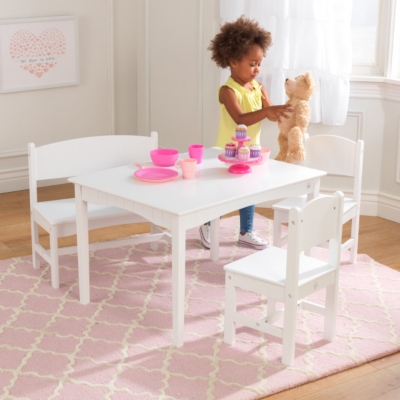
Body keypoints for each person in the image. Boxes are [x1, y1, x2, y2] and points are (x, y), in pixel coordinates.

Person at [199, 16, 292, 250]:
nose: (257, 69)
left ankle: (246, 231)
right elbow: (240, 119)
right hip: (227, 151)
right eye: (252, 64)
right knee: (222, 191)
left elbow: (268, 114)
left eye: (259, 63)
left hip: (251, 150)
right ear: (232, 61)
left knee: (250, 190)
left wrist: (283, 112)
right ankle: (209, 225)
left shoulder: (259, 87)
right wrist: (268, 110)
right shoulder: (227, 91)